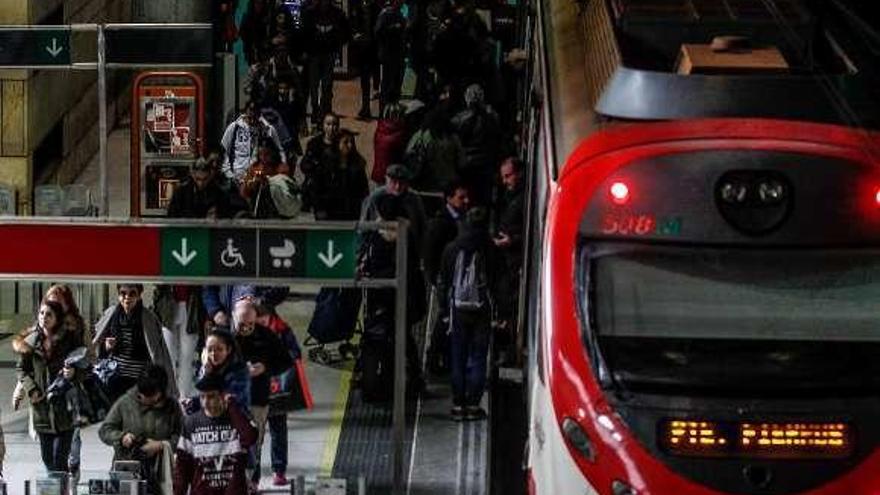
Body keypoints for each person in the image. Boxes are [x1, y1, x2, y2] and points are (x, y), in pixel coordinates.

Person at [436, 207, 500, 420]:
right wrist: (503, 312)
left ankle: (457, 406)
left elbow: (443, 282)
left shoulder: (451, 249)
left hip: (458, 308)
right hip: (482, 309)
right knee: (479, 356)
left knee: (458, 356)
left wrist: (444, 310)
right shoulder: (489, 248)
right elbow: (499, 279)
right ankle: (473, 406)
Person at [231, 297, 292, 488]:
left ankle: (267, 475)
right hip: (239, 399)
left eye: (250, 324)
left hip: (264, 395)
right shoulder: (226, 338)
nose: (246, 329)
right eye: (242, 325)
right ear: (233, 318)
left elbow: (286, 361)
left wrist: (265, 368)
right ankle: (246, 480)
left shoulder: (267, 336)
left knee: (266, 436)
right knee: (243, 442)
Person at [13, 300, 79, 472]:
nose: (44, 317)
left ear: (57, 318)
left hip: (65, 410)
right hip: (41, 410)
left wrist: (74, 374)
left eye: (49, 314)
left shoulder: (69, 340)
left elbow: (85, 366)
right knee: (48, 459)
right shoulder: (30, 342)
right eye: (41, 313)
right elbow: (21, 369)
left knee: (59, 460)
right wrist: (32, 389)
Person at [99, 365, 183, 494]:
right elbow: (105, 430)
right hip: (127, 470)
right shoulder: (125, 402)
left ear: (160, 393)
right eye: (141, 395)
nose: (143, 398)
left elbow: (182, 436)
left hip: (159, 473)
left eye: (149, 396)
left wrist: (161, 445)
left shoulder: (172, 406)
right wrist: (121, 437)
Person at [174, 373, 258, 495]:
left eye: (211, 397)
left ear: (223, 396)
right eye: (202, 397)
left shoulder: (238, 419)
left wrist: (232, 406)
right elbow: (182, 466)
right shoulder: (191, 423)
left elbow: (250, 438)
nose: (206, 402)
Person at [93, 284, 178, 401]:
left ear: (139, 296)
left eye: (132, 294)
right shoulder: (111, 314)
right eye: (123, 293)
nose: (127, 297)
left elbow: (157, 351)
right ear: (118, 295)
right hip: (115, 377)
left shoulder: (148, 317)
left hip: (138, 380)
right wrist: (106, 346)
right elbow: (98, 344)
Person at [423, 180, 470, 373]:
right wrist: (435, 279)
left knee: (451, 319)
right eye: (461, 197)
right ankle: (434, 360)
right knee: (445, 319)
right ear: (449, 199)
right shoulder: (440, 224)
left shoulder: (461, 218)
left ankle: (445, 358)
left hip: (456, 279)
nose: (466, 201)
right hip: (445, 280)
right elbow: (430, 255)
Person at [492, 156, 525, 361]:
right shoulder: (510, 196)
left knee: (513, 306)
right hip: (507, 259)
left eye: (508, 176)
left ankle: (512, 351)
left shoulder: (524, 198)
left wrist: (512, 240)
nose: (505, 181)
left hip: (515, 260)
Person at [451, 83, 502, 205]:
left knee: (469, 198)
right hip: (485, 163)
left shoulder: (459, 119)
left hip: (468, 164)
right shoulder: (492, 116)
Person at [301, 0, 351, 123]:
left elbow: (346, 32)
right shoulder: (309, 12)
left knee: (327, 85)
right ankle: (315, 111)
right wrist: (306, 51)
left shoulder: (337, 13)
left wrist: (337, 46)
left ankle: (325, 112)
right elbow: (304, 33)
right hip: (314, 55)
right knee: (314, 86)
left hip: (329, 54)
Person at [360, 164, 428, 251]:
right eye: (393, 182)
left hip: (408, 248)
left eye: (401, 183)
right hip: (380, 248)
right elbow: (363, 228)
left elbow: (422, 227)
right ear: (386, 180)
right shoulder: (375, 198)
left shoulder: (414, 199)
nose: (397, 187)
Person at [220, 100, 287, 183]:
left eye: (254, 117)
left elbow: (279, 150)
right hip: (236, 173)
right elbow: (225, 151)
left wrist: (283, 166)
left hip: (256, 173)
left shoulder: (266, 130)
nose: (252, 121)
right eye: (249, 118)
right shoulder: (234, 128)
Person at [311, 129, 370, 221]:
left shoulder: (358, 165)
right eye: (345, 142)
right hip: (329, 213)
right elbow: (317, 188)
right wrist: (319, 209)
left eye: (351, 142)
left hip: (352, 214)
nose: (349, 145)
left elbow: (364, 191)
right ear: (337, 144)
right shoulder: (326, 163)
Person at [300, 112, 341, 211]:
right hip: (318, 191)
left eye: (334, 124)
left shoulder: (342, 143)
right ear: (323, 125)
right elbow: (304, 165)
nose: (331, 128)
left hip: (337, 192)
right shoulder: (314, 144)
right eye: (328, 124)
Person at [350, 0, 381, 119]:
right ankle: (365, 107)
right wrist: (355, 35)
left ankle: (368, 107)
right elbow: (353, 24)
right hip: (364, 48)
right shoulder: (359, 6)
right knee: (364, 80)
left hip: (372, 48)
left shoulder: (375, 7)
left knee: (369, 78)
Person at [374, 0, 407, 111]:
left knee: (397, 84)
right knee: (387, 84)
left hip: (399, 54)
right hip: (388, 55)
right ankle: (383, 111)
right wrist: (393, 28)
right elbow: (378, 32)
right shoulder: (386, 14)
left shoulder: (400, 14)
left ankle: (393, 109)